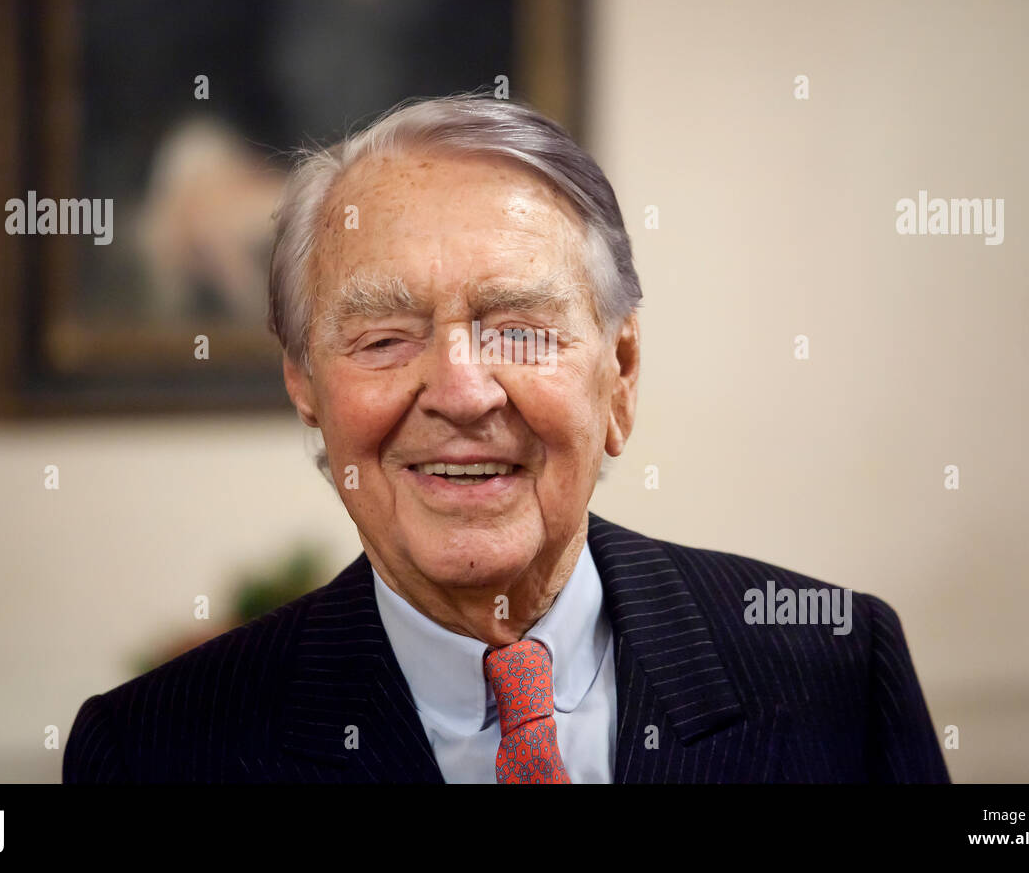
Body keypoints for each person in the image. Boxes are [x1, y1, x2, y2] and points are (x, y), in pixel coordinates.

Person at [64, 92, 949, 783]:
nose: (459, 392)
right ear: (305, 387)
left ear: (622, 374)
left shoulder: (834, 668)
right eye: (383, 339)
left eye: (519, 329)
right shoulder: (154, 752)